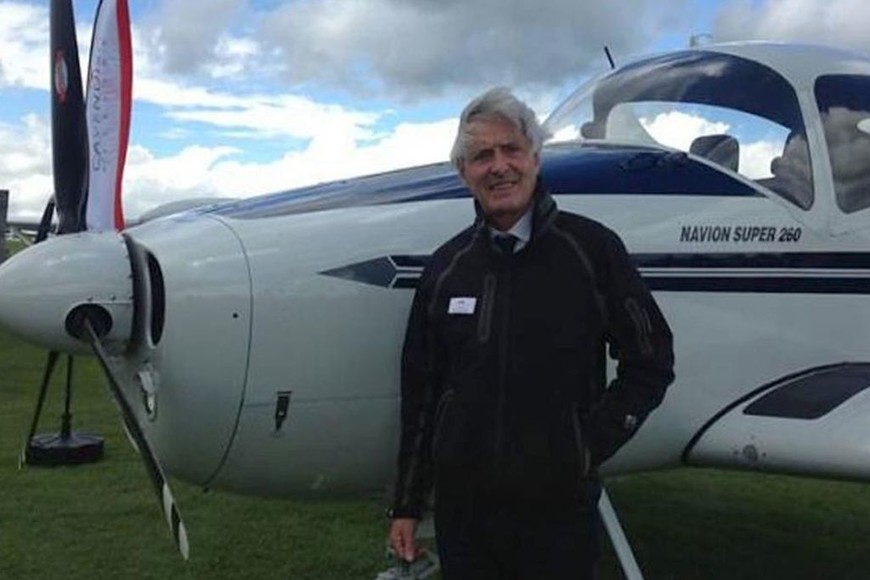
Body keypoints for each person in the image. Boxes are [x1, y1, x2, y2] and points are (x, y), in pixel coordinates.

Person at [387, 87, 674, 579]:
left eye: (511, 150)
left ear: (535, 160)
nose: (499, 167)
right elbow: (421, 393)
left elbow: (651, 361)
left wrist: (586, 446)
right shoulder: (447, 268)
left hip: (558, 512)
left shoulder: (593, 251)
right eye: (482, 156)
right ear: (463, 172)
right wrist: (407, 504)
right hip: (465, 515)